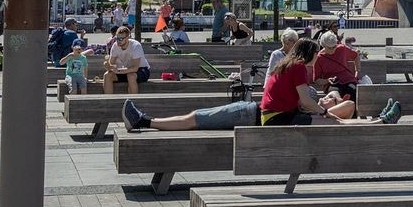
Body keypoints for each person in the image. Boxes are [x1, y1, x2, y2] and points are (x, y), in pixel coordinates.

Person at [125, 39, 396, 131]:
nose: (318, 60)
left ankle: (145, 122)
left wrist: (320, 109)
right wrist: (322, 111)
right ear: (309, 55)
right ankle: (382, 122)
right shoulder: (299, 67)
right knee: (337, 126)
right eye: (316, 56)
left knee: (197, 117)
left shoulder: (285, 64)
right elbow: (305, 101)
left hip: (257, 111)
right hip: (275, 119)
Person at [311, 31, 361, 99]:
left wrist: (357, 71)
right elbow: (317, 80)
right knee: (336, 93)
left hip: (348, 80)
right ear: (323, 45)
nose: (332, 50)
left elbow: (356, 55)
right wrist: (327, 80)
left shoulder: (341, 49)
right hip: (332, 84)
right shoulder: (319, 58)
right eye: (329, 47)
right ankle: (343, 107)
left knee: (352, 90)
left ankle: (348, 108)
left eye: (334, 47)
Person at [102, 25, 151, 94]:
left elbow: (135, 68)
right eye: (117, 38)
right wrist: (108, 66)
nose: (118, 41)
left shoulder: (135, 46)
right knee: (107, 75)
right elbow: (111, 65)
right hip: (124, 70)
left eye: (121, 39)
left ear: (128, 37)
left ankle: (132, 101)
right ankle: (108, 101)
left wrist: (118, 70)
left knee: (131, 76)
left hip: (141, 70)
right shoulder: (115, 46)